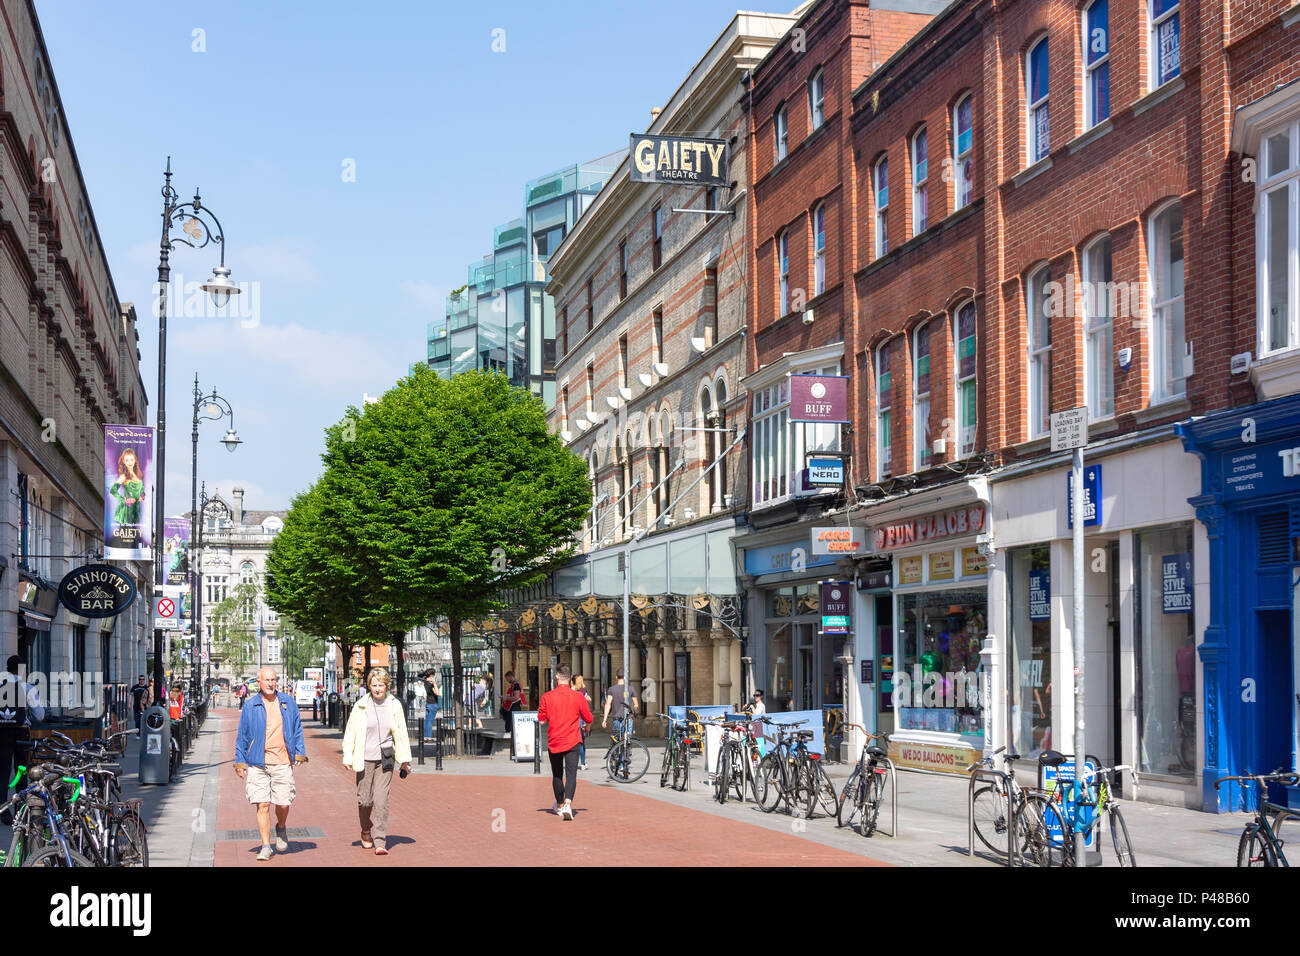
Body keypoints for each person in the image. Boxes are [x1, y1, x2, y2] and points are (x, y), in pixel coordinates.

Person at [233, 667, 308, 862]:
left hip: (282, 761)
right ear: (258, 682)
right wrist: (240, 762)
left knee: (283, 803)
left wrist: (299, 752)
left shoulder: (287, 703)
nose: (270, 683)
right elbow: (242, 736)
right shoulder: (251, 706)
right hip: (258, 762)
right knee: (263, 804)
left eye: (273, 679)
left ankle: (281, 827)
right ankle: (266, 846)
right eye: (266, 680)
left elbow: (297, 728)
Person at [341, 669, 411, 856]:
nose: (378, 688)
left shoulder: (394, 705)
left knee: (381, 800)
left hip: (386, 757)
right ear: (369, 686)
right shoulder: (361, 706)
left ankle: (380, 841)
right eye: (374, 685)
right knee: (365, 800)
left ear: (387, 686)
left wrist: (404, 760)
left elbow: (401, 734)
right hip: (364, 757)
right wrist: (348, 756)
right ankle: (366, 829)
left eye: (381, 685)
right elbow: (351, 732)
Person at [537, 664, 592, 821]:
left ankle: (560, 805)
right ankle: (568, 803)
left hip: (555, 741)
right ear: (570, 678)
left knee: (557, 774)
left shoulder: (547, 697)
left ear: (557, 677)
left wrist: (544, 717)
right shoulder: (578, 697)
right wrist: (587, 727)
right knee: (571, 774)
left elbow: (541, 721)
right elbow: (588, 717)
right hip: (573, 740)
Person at [0, 656, 44, 805]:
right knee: (21, 770)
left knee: (2, 771)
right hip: (21, 733)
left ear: (7, 668)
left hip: (2, 732)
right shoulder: (27, 688)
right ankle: (21, 806)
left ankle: (2, 809)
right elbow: (39, 715)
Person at [601, 669, 640, 737]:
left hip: (617, 719)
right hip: (628, 718)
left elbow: (608, 704)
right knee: (627, 740)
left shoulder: (612, 689)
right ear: (625, 677)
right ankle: (626, 746)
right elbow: (636, 705)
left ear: (616, 677)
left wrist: (605, 719)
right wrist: (634, 714)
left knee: (616, 741)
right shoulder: (631, 689)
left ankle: (617, 746)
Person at [572, 674, 591, 771]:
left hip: (574, 717)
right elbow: (589, 699)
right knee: (582, 741)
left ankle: (574, 761)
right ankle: (583, 762)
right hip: (582, 717)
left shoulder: (572, 690)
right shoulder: (583, 690)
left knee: (575, 741)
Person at [421, 669, 440, 741]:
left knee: (426, 721)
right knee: (430, 721)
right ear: (431, 675)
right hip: (433, 703)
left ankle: (425, 736)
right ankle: (429, 736)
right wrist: (434, 683)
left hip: (428, 703)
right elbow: (437, 693)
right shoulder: (430, 684)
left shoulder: (425, 682)